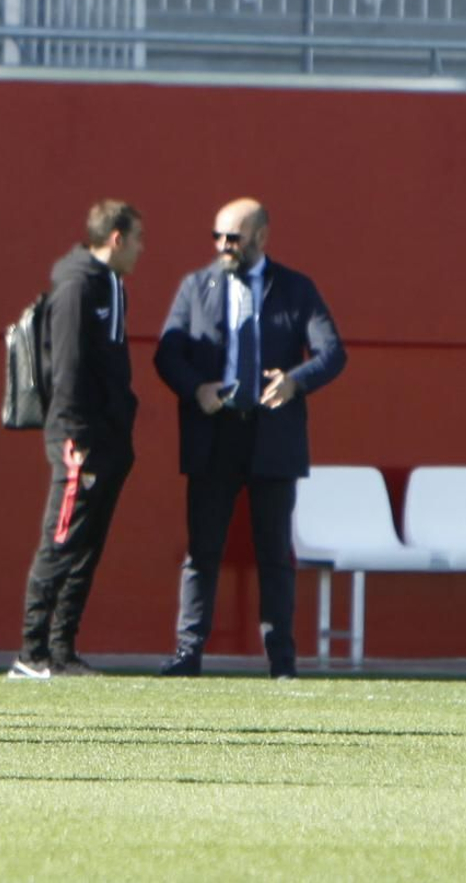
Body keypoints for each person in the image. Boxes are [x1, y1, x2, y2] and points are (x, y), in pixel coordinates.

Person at [154, 198, 346, 679]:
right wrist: (196, 389)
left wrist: (295, 381)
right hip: (214, 433)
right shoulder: (197, 287)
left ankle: (282, 660)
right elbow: (167, 354)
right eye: (217, 236)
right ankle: (187, 653)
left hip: (272, 435)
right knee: (202, 551)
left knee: (275, 553)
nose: (223, 246)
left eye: (233, 238)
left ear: (260, 237)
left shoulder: (294, 289)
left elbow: (332, 352)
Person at [7, 200, 145, 681]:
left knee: (86, 545)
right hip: (78, 438)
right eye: (138, 239)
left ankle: (61, 651)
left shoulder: (111, 284)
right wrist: (77, 434)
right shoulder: (76, 284)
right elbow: (66, 365)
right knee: (61, 538)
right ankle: (32, 653)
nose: (142, 250)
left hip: (108, 439)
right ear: (117, 238)